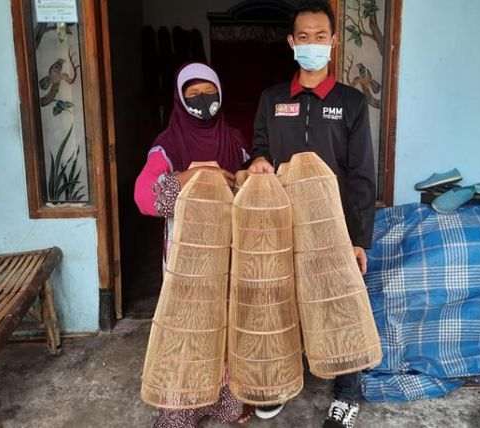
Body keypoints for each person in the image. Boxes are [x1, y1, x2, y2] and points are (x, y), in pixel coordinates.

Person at [247, 2, 376, 427]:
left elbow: (360, 175)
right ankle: (280, 379)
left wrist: (359, 239)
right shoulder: (272, 99)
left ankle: (346, 392)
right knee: (278, 300)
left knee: (338, 303)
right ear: (291, 43)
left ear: (334, 41)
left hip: (332, 224)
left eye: (321, 36)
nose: (313, 44)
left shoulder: (351, 103)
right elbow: (260, 149)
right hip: (280, 222)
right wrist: (260, 162)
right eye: (304, 37)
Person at [134, 62, 252, 428]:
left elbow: (251, 184)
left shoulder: (233, 138)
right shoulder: (167, 145)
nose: (203, 101)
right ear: (180, 100)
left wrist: (245, 179)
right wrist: (197, 175)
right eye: (193, 95)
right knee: (186, 327)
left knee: (225, 322)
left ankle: (220, 396)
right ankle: (180, 405)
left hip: (228, 252)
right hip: (186, 258)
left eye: (209, 93)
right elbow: (144, 196)